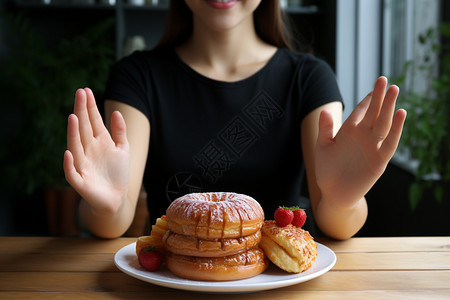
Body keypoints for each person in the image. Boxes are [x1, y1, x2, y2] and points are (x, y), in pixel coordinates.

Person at [63, 0, 406, 240]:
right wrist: (107, 206)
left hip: (278, 284)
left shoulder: (310, 78)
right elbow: (116, 219)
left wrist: (343, 201)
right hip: (169, 283)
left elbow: (336, 223)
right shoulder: (136, 77)